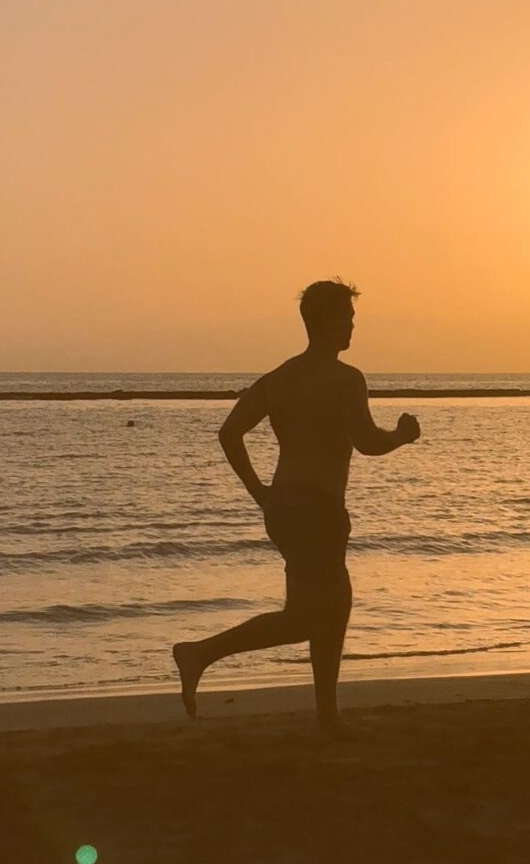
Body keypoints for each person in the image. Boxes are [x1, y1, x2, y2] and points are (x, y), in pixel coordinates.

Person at [173, 279, 420, 727]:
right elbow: (366, 442)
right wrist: (401, 437)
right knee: (313, 616)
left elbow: (230, 434)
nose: (351, 327)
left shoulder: (280, 378)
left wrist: (261, 494)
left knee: (328, 608)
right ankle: (200, 654)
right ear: (325, 321)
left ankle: (328, 716)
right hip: (317, 508)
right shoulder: (347, 380)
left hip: (283, 506)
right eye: (346, 318)